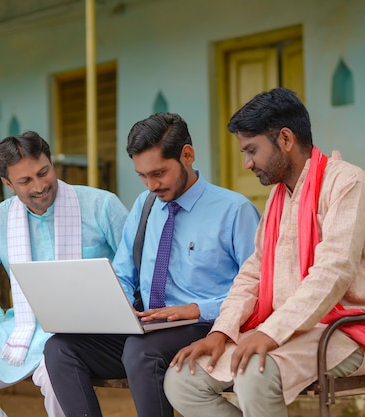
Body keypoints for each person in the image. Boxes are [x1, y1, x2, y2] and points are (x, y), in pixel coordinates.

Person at [164, 88, 365, 417]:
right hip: (288, 330)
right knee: (181, 380)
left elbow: (333, 272)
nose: (246, 164)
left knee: (253, 372)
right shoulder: (278, 197)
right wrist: (222, 330)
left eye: (252, 150)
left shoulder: (347, 183)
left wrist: (271, 333)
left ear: (285, 138)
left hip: (347, 331)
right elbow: (253, 272)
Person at [43, 112, 260, 417]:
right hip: (148, 326)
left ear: (187, 155)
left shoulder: (234, 211)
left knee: (141, 353)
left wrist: (199, 309)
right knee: (59, 348)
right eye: (142, 176)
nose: (151, 184)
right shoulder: (145, 206)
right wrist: (111, 304)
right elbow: (123, 273)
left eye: (159, 173)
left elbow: (260, 288)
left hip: (205, 326)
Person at [0, 131, 128, 417]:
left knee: (58, 369)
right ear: (7, 183)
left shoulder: (102, 206)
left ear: (51, 162)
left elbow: (138, 271)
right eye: (25, 181)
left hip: (86, 334)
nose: (40, 186)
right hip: (23, 330)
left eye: (44, 172)